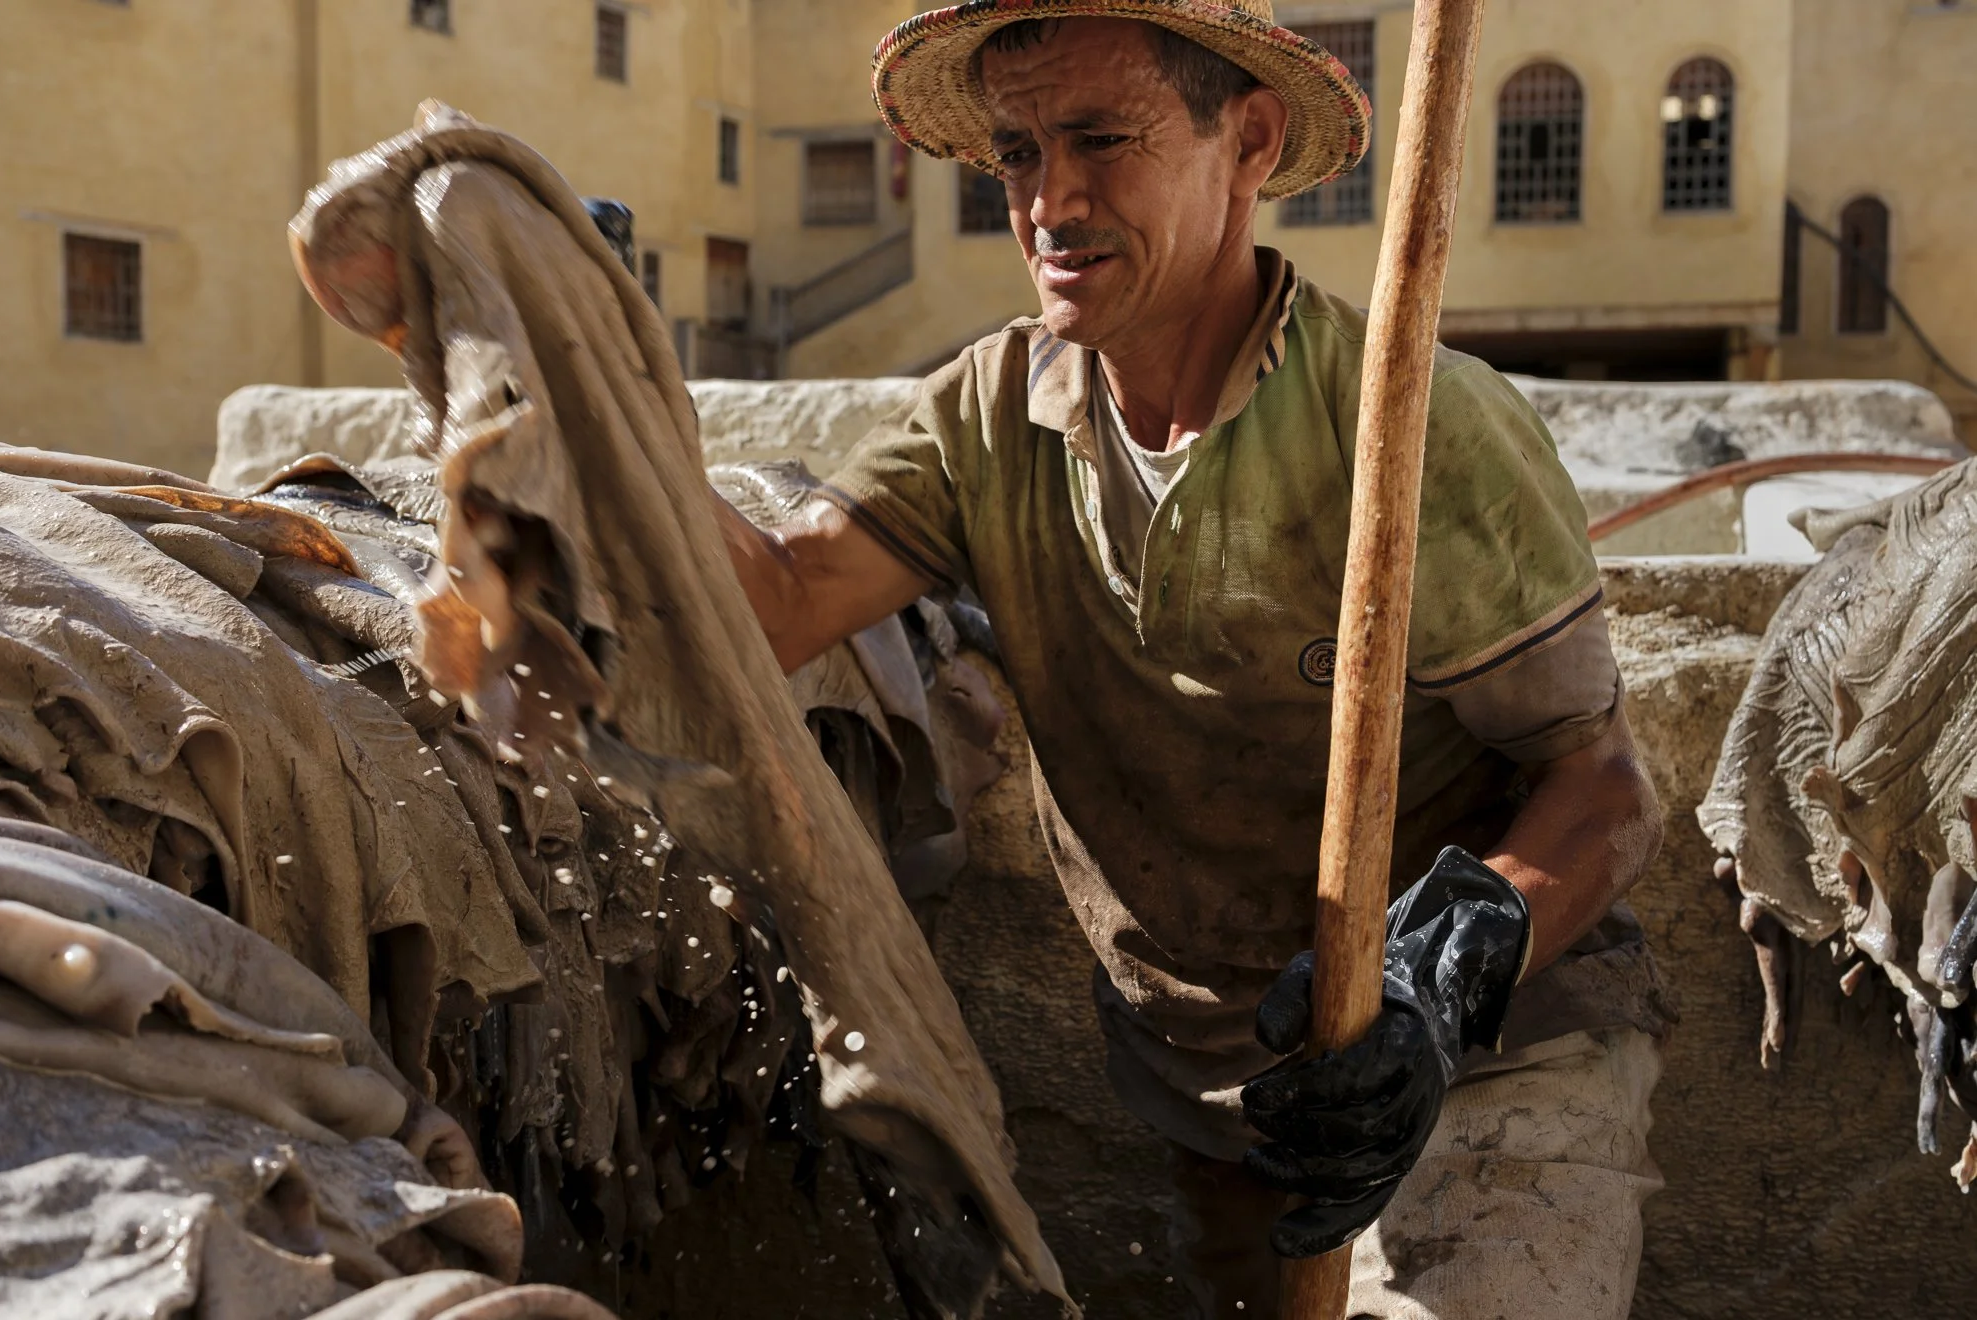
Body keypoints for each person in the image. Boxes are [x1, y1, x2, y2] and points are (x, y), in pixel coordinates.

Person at [713, 4, 1673, 1316]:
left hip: (1490, 1069)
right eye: (1015, 156)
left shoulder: (1411, 424)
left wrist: (1433, 986)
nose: (1050, 198)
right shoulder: (983, 420)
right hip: (1215, 1094)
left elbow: (1607, 786)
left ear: (1250, 142)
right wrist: (560, 366)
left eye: (1101, 138)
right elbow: (768, 607)